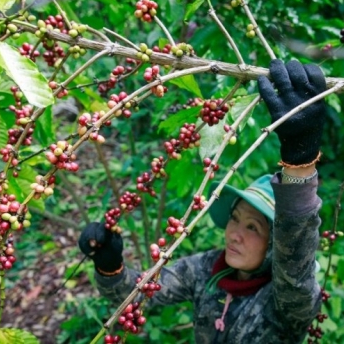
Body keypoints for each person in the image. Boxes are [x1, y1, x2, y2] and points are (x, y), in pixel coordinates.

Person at [78, 59, 327, 343]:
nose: (234, 234)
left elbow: (295, 259)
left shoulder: (285, 299)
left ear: (274, 245)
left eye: (253, 228)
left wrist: (300, 165)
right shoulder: (207, 269)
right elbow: (136, 296)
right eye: (235, 219)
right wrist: (110, 267)